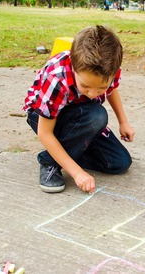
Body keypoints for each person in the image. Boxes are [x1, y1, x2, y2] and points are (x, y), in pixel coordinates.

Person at [23, 25, 134, 194]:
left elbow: (112, 90)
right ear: (74, 66)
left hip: (84, 118)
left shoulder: (109, 68)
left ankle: (70, 150)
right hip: (45, 117)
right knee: (97, 115)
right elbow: (44, 133)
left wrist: (123, 122)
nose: (92, 94)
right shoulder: (57, 78)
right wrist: (77, 173)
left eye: (100, 88)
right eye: (85, 86)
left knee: (119, 163)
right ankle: (49, 162)